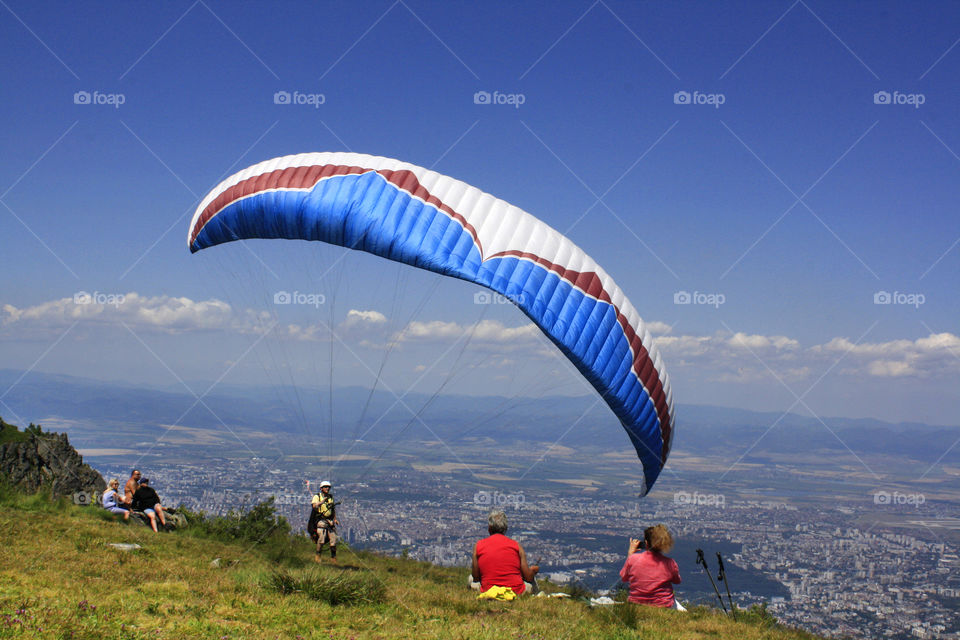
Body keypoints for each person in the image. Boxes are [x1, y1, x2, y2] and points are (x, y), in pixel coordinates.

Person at [470, 510, 539, 596]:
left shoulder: (479, 546)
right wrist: (533, 571)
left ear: (489, 528)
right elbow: (528, 577)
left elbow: (475, 576)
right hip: (516, 592)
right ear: (505, 529)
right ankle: (536, 597)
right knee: (532, 581)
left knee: (470, 579)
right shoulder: (516, 546)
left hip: (488, 591)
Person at [619, 524, 684, 610]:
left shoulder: (633, 560)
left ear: (646, 543)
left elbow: (624, 578)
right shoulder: (670, 563)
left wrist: (630, 554)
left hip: (637, 603)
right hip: (664, 605)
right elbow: (677, 581)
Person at [310, 480, 339, 564]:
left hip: (329, 520)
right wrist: (322, 502)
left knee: (333, 540)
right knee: (321, 540)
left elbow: (332, 509)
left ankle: (333, 558)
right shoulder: (317, 497)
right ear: (321, 488)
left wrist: (335, 519)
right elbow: (314, 506)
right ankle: (318, 555)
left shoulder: (330, 497)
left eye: (328, 487)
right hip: (321, 520)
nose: (327, 488)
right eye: (325, 487)